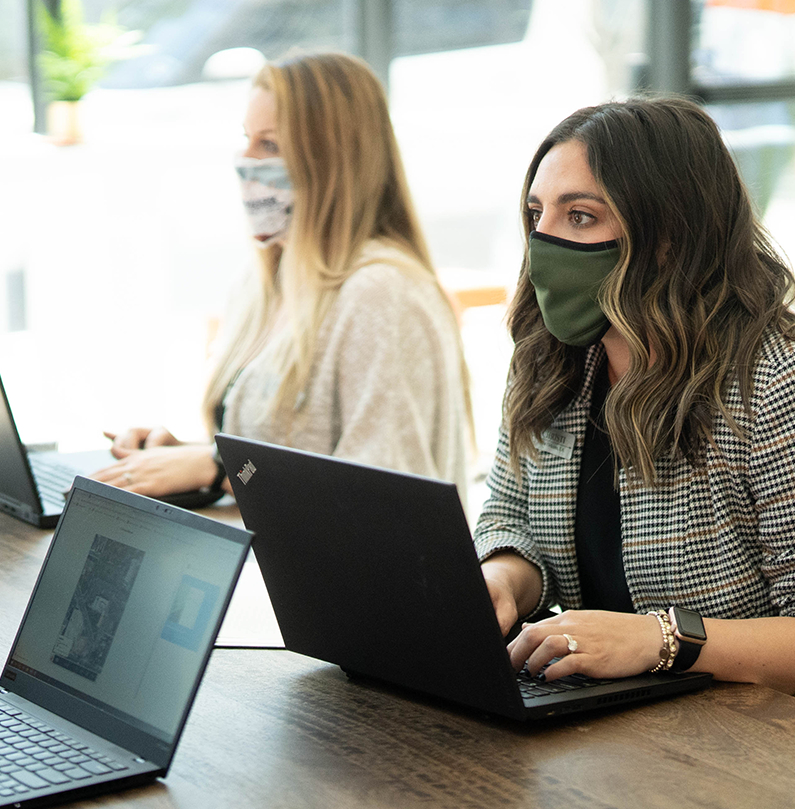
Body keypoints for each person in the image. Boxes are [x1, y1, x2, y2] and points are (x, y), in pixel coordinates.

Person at [476, 96, 795, 694]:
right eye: (536, 214)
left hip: (741, 754)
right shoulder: (549, 362)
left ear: (670, 233)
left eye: (580, 217)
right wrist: (501, 579)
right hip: (594, 734)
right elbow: (511, 518)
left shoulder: (774, 380)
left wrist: (663, 639)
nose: (542, 243)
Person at [93, 51, 472, 501]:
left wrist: (219, 470)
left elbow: (382, 495)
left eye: (269, 145)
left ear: (333, 161)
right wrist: (182, 459)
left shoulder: (382, 294)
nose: (244, 160)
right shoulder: (263, 282)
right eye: (246, 139)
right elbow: (289, 455)